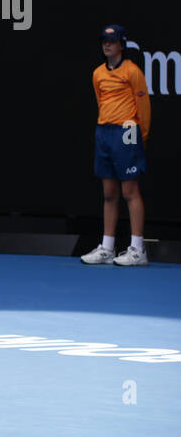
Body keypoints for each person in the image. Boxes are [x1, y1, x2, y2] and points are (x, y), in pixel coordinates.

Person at [79, 24, 151, 267]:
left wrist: (141, 135)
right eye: (104, 41)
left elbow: (143, 107)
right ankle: (107, 248)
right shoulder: (98, 73)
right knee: (109, 193)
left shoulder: (133, 72)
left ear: (122, 44)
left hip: (128, 131)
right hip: (104, 131)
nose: (106, 44)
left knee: (130, 191)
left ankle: (138, 250)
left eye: (112, 41)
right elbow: (102, 103)